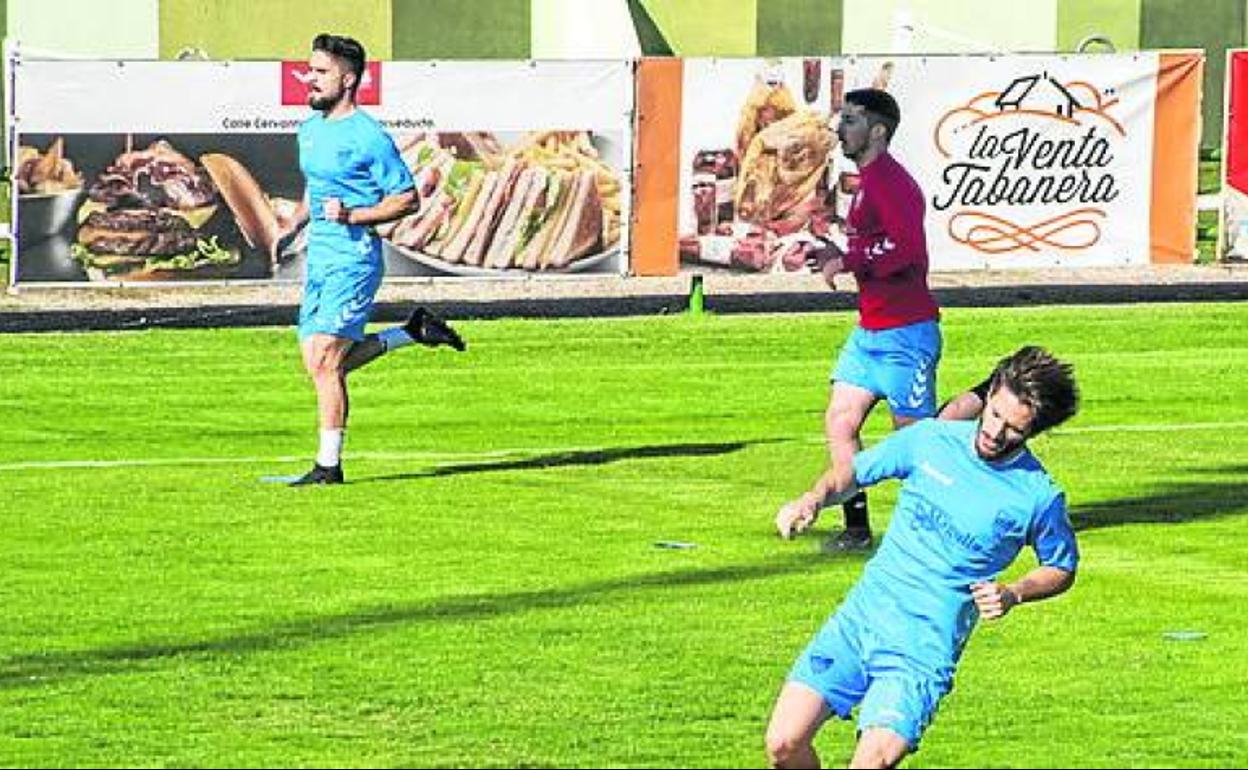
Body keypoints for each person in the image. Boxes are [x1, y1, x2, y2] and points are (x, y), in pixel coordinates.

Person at [768, 346, 1080, 769]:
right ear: (988, 398)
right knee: (784, 743)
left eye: (1013, 430)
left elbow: (1061, 566)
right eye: (993, 415)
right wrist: (813, 500)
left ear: (1033, 432)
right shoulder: (930, 439)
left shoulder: (1038, 496)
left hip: (922, 650)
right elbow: (855, 472)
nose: (994, 432)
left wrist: (1014, 592)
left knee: (871, 764)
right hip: (861, 621)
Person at [275, 33, 466, 487]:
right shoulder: (311, 129)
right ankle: (413, 332)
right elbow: (315, 187)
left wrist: (355, 214)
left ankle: (328, 467)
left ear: (347, 79)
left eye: (320, 72)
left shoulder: (368, 137)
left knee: (325, 360)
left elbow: (407, 199)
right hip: (319, 261)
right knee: (321, 363)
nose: (310, 79)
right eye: (310, 70)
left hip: (353, 260)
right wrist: (293, 225)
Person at [804, 88, 941, 551]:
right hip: (871, 333)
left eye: (851, 120)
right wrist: (838, 254)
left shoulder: (891, 183)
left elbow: (907, 252)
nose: (840, 129)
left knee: (917, 446)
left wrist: (849, 260)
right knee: (840, 421)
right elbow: (876, 250)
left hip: (906, 336)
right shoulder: (868, 183)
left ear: (877, 131)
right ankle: (858, 529)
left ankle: (932, 534)